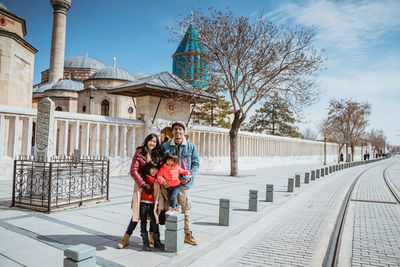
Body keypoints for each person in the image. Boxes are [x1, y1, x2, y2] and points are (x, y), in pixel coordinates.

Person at [117, 134, 165, 249]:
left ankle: (152, 237)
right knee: (137, 213)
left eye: (154, 141)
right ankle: (126, 237)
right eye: (150, 141)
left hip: (155, 186)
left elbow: (161, 169)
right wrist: (143, 184)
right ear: (146, 141)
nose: (152, 143)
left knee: (154, 212)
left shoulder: (157, 153)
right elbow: (133, 170)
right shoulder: (140, 152)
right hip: (141, 186)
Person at [161, 121, 200, 245]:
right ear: (172, 131)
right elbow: (161, 163)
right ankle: (172, 235)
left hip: (184, 184)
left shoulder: (191, 146)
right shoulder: (165, 146)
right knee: (169, 209)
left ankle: (187, 234)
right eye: (175, 129)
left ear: (184, 132)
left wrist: (189, 176)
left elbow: (196, 163)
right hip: (169, 184)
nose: (178, 131)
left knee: (185, 209)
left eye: (180, 129)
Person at [139, 161, 165, 251]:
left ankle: (157, 242)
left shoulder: (157, 181)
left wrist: (160, 207)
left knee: (155, 223)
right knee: (143, 223)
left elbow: (160, 195)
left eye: (156, 169)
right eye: (152, 169)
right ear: (149, 169)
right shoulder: (143, 179)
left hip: (153, 205)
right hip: (142, 203)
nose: (154, 171)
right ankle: (145, 243)